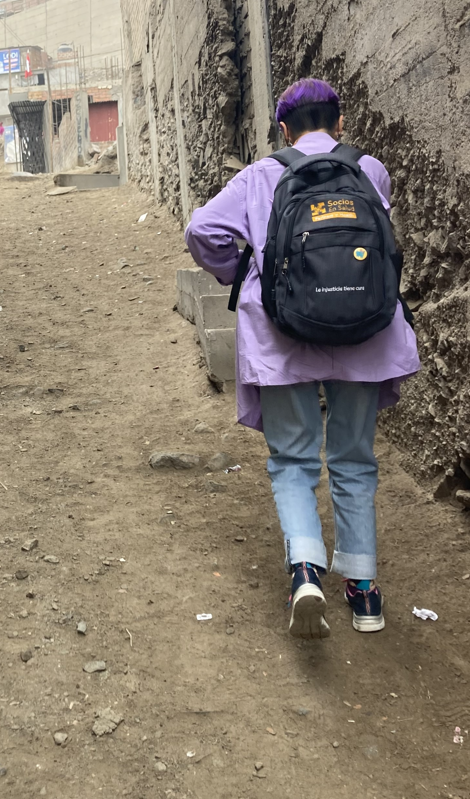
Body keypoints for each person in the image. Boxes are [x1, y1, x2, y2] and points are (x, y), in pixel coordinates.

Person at [185, 79, 420, 640]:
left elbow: (202, 230)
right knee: (355, 460)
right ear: (339, 125)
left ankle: (306, 575)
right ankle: (364, 593)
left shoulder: (260, 176)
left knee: (292, 461)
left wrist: (242, 275)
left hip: (282, 339)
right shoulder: (371, 171)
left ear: (284, 130)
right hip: (365, 336)